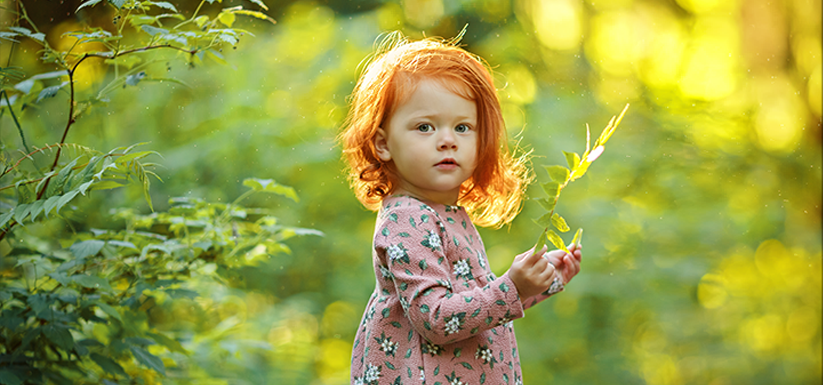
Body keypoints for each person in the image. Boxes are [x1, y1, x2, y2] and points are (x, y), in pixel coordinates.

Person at [338, 31, 583, 385]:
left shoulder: (446, 215)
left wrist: (535, 285)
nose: (447, 139)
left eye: (463, 127)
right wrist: (511, 287)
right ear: (383, 143)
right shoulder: (409, 218)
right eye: (425, 127)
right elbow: (437, 319)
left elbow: (474, 311)